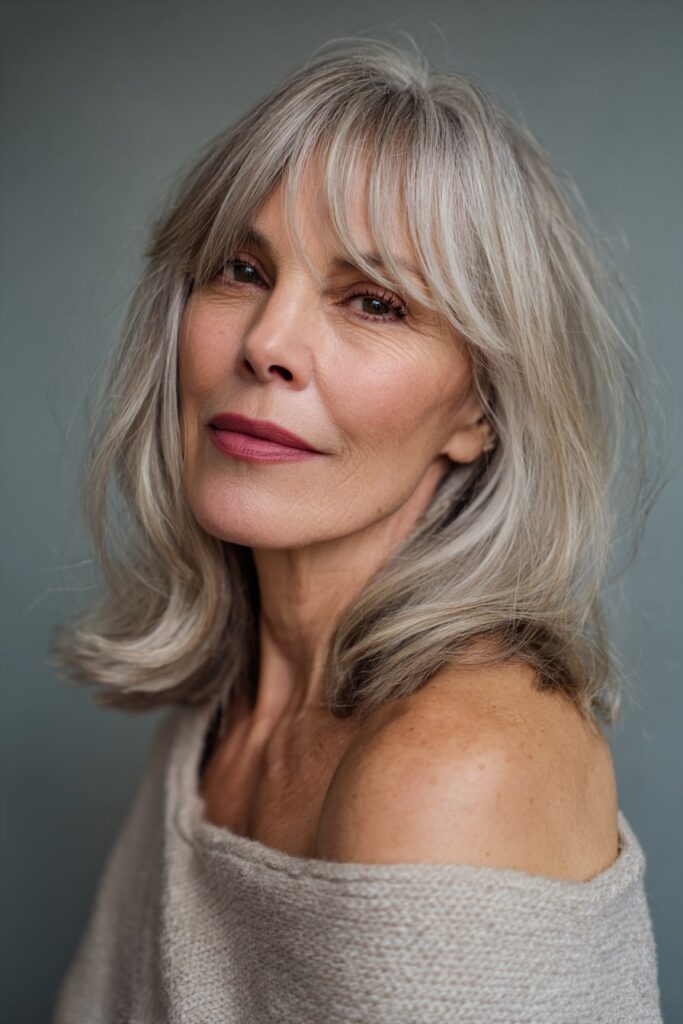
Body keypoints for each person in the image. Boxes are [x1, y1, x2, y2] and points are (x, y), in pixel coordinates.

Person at [50, 34, 663, 1023]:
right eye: (241, 270)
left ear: (478, 413)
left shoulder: (448, 769)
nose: (265, 344)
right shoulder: (224, 715)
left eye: (372, 301)